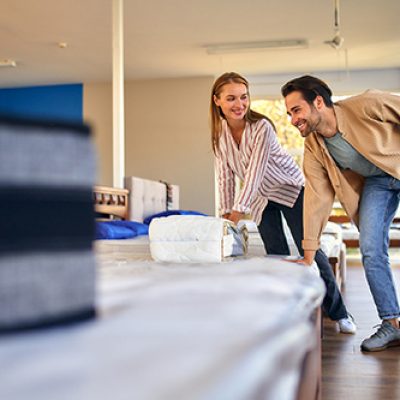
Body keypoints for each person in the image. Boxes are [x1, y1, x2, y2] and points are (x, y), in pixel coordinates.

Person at [210, 72, 356, 333]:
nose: (239, 104)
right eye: (231, 98)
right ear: (217, 101)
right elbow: (225, 177)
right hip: (262, 199)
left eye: (244, 97)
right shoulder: (219, 135)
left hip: (291, 190)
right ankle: (287, 313)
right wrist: (224, 213)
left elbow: (254, 172)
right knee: (275, 254)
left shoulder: (262, 127)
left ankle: (340, 314)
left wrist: (237, 212)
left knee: (310, 249)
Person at [281, 75, 400, 352]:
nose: (292, 119)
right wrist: (308, 253)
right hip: (378, 183)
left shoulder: (366, 104)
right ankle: (391, 323)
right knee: (370, 248)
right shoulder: (314, 145)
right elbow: (317, 195)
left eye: (296, 110)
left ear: (318, 102)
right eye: (289, 113)